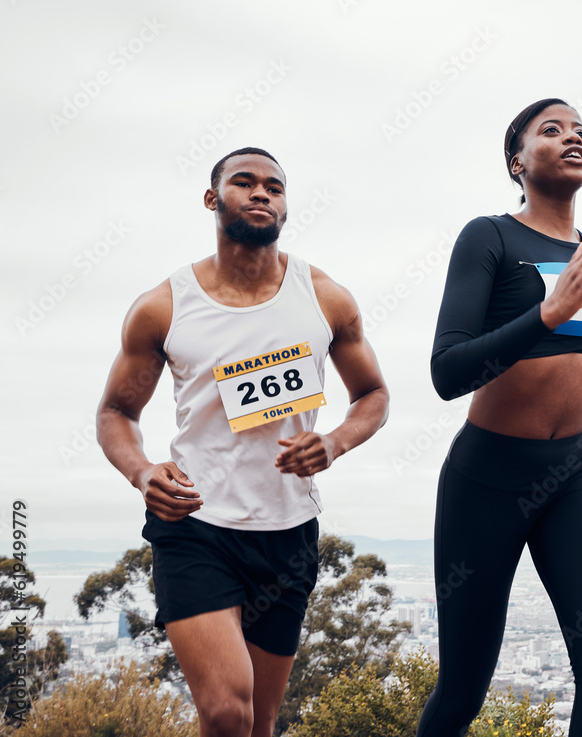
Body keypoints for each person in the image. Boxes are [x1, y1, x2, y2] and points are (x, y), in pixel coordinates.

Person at [96, 147, 389, 737]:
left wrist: (332, 443)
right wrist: (142, 471)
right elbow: (116, 412)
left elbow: (374, 396)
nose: (262, 194)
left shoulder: (325, 298)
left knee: (260, 722)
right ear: (213, 198)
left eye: (275, 188)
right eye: (245, 183)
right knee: (228, 711)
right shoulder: (164, 306)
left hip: (287, 534)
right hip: (196, 526)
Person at [417, 99, 582, 736]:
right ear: (518, 162)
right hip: (488, 474)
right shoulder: (488, 236)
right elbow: (447, 371)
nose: (572, 138)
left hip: (575, 471)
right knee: (464, 687)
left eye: (580, 132)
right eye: (552, 130)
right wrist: (547, 312)